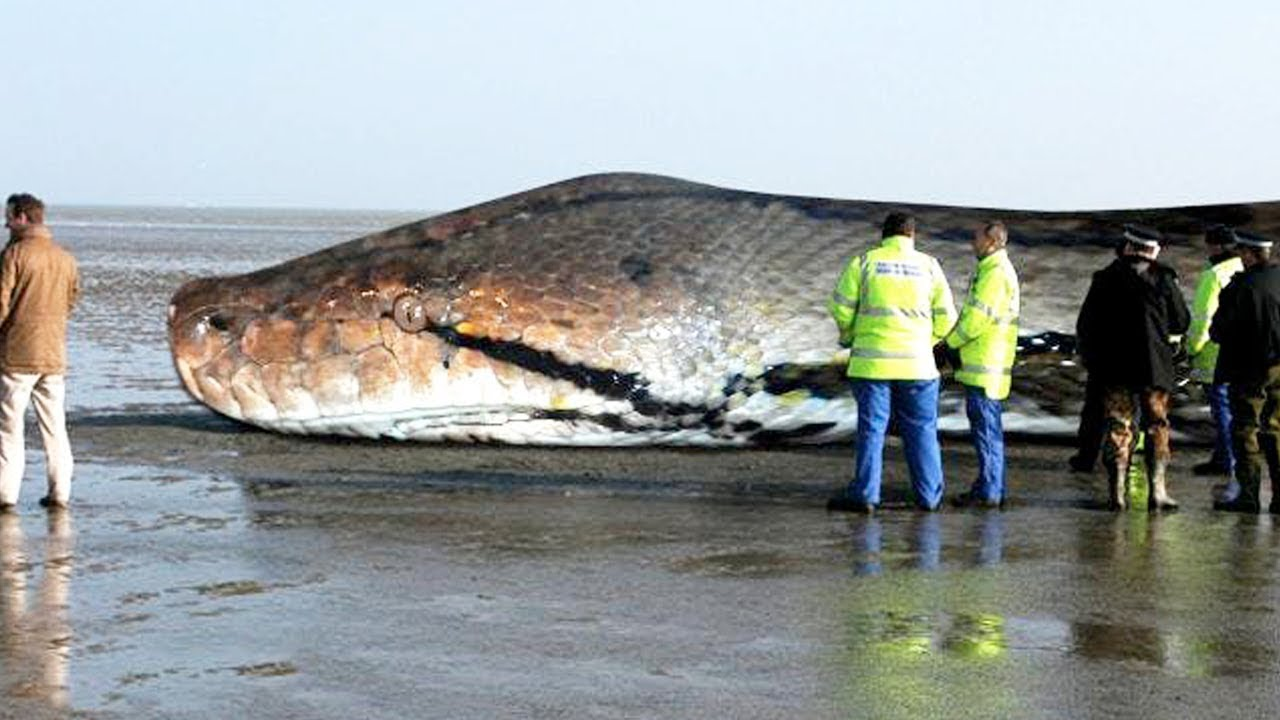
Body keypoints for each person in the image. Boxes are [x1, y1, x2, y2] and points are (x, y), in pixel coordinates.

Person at [826, 212, 957, 512]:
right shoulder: (929, 266)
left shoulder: (864, 262)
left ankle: (866, 495)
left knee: (872, 431)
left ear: (883, 236)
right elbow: (948, 319)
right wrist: (926, 342)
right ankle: (929, 497)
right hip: (918, 366)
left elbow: (840, 308)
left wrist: (852, 336)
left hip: (872, 365)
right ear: (912, 236)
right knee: (922, 429)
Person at [1076, 224, 1190, 511]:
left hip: (1113, 369)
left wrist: (1093, 360)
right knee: (1157, 425)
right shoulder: (1164, 279)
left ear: (1128, 247)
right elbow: (1181, 321)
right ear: (1151, 250)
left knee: (1119, 426)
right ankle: (1158, 491)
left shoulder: (1104, 279)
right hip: (1154, 369)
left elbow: (1086, 326)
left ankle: (1117, 494)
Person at [0, 194, 79, 512]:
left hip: (17, 355)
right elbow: (71, 301)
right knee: (55, 427)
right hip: (53, 354)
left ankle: (6, 494)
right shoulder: (65, 258)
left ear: (21, 217)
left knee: (8, 427)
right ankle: (60, 492)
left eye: (8, 216)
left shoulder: (14, 254)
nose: (5, 222)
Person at [943, 221, 1020, 508]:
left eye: (976, 238)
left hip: (985, 367)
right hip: (987, 365)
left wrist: (950, 344)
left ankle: (989, 491)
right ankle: (988, 486)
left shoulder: (995, 273)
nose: (972, 243)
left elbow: (977, 318)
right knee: (988, 430)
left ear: (991, 241)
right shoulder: (993, 270)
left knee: (987, 432)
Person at [1209, 230, 1280, 513]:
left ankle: (1248, 495)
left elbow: (1218, 331)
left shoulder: (1240, 288)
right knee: (1276, 429)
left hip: (1248, 368)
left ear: (1250, 254)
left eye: (1242, 253)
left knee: (1245, 429)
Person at [1185, 225, 1243, 486]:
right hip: (1242, 353)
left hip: (1214, 355)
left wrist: (1190, 349)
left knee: (1221, 409)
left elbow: (1203, 318)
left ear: (1216, 246)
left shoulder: (1214, 275)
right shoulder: (1244, 268)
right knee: (1234, 408)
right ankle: (1222, 457)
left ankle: (1227, 460)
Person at [1067, 241, 1125, 473]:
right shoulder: (1151, 280)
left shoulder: (1103, 278)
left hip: (1102, 357)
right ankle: (1121, 454)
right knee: (1128, 410)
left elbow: (1086, 320)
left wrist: (1085, 351)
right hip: (1133, 359)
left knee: (1094, 409)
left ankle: (1086, 456)